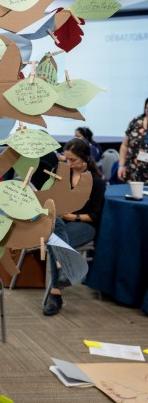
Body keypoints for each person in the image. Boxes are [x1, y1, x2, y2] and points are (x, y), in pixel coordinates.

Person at [43, 137, 106, 316]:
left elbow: (95, 216)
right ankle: (66, 265)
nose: (68, 163)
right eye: (66, 158)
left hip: (85, 225)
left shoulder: (96, 182)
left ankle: (56, 293)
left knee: (53, 240)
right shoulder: (62, 175)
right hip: (62, 223)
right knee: (55, 228)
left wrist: (72, 216)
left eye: (73, 160)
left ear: (85, 159)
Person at [117, 98, 148, 184]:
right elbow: (124, 145)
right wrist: (121, 166)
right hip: (132, 170)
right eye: (147, 108)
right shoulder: (135, 122)